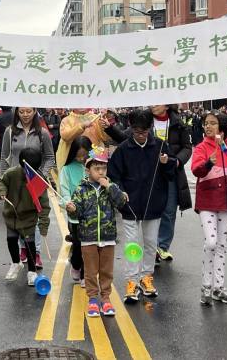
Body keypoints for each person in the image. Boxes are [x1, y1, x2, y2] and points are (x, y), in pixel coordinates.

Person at [108, 108, 172, 304]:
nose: (141, 135)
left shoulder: (161, 146)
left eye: (144, 131)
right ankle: (132, 281)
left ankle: (146, 277)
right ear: (131, 129)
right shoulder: (123, 149)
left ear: (150, 129)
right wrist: (121, 191)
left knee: (151, 243)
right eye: (136, 131)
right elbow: (114, 175)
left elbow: (171, 174)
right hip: (130, 206)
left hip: (154, 204)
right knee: (132, 245)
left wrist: (167, 163)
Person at [66, 147, 127, 318]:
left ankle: (106, 298)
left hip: (108, 237)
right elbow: (76, 211)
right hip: (88, 238)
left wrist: (109, 187)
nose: (100, 172)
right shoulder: (81, 189)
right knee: (91, 271)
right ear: (88, 170)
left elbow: (121, 202)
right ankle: (93, 299)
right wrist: (71, 209)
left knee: (107, 270)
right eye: (96, 168)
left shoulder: (110, 186)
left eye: (103, 168)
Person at [191, 111, 227, 306]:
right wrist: (208, 163)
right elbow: (196, 169)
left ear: (222, 127)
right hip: (207, 201)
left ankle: (218, 288)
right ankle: (206, 286)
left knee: (222, 245)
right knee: (211, 242)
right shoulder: (201, 148)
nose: (208, 126)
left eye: (212, 123)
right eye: (206, 123)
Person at [0, 106, 56, 269]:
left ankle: (35, 252)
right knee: (17, 215)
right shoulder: (9, 132)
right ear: (17, 112)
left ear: (34, 112)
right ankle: (23, 248)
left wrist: (41, 176)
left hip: (35, 181)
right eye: (21, 111)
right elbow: (4, 157)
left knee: (34, 217)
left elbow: (49, 157)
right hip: (15, 181)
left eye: (29, 111)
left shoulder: (43, 133)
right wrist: (3, 178)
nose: (25, 115)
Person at [0, 147, 50, 287]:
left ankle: (32, 272)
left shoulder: (38, 181)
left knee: (29, 243)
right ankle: (16, 263)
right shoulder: (11, 173)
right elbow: (1, 182)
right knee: (11, 239)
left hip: (28, 218)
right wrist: (2, 191)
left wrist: (44, 224)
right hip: (11, 215)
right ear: (21, 162)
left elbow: (44, 205)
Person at [152, 104, 193, 264]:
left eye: (156, 102)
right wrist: (109, 129)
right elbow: (126, 136)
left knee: (168, 212)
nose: (152, 105)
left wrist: (176, 161)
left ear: (166, 105)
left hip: (171, 174)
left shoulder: (178, 123)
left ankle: (162, 246)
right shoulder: (146, 120)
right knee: (151, 211)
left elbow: (187, 148)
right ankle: (151, 246)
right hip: (150, 175)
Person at [59, 136, 91, 285]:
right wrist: (67, 202)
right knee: (78, 245)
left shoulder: (92, 167)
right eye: (78, 155)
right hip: (75, 214)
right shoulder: (66, 170)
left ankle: (85, 275)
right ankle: (75, 263)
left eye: (84, 155)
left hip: (91, 213)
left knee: (89, 246)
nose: (81, 158)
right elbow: (64, 190)